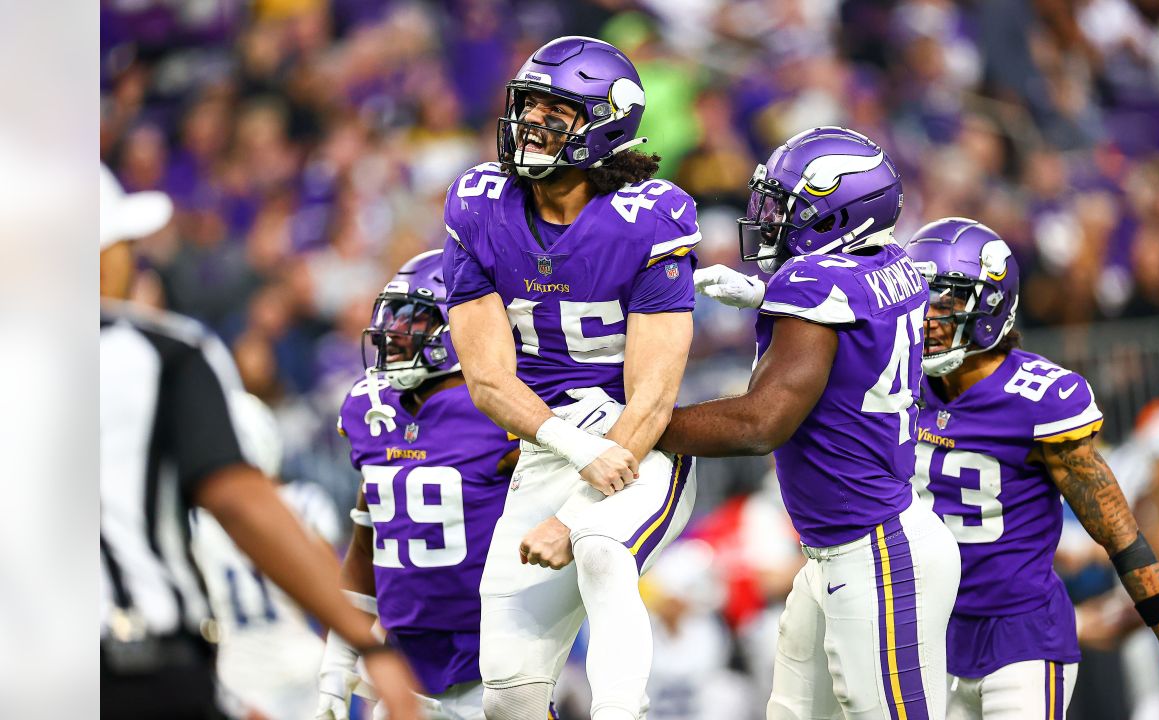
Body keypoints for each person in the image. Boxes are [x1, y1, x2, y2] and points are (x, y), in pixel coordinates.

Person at [99, 163, 420, 720]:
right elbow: (239, 500)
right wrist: (367, 648)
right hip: (144, 665)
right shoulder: (158, 354)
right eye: (122, 244)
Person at [660, 126, 961, 719]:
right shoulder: (894, 262)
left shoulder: (814, 284)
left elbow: (759, 423)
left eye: (785, 208)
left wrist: (641, 425)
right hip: (852, 545)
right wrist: (765, 292)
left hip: (875, 551)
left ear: (838, 214)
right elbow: (849, 305)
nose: (769, 219)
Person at [443, 36, 701, 720]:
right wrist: (566, 445)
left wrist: (575, 503)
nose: (531, 124)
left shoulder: (649, 216)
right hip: (550, 446)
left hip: (638, 448)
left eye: (555, 114)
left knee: (602, 548)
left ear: (605, 126)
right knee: (507, 697)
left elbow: (654, 395)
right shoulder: (480, 203)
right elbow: (488, 379)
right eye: (527, 106)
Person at [900, 217, 1159, 719]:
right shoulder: (897, 385)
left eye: (949, 300)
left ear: (990, 305)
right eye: (924, 298)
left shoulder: (1038, 399)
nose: (930, 317)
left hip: (1020, 638)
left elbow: (1119, 534)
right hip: (925, 630)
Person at [312, 250, 522, 720]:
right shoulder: (367, 408)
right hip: (400, 667)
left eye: (413, 318)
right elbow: (368, 542)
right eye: (391, 314)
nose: (394, 332)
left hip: (497, 661)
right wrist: (338, 659)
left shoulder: (507, 410)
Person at [191, 392, 341, 720]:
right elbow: (336, 603)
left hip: (235, 680)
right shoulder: (303, 503)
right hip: (302, 671)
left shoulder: (191, 521)